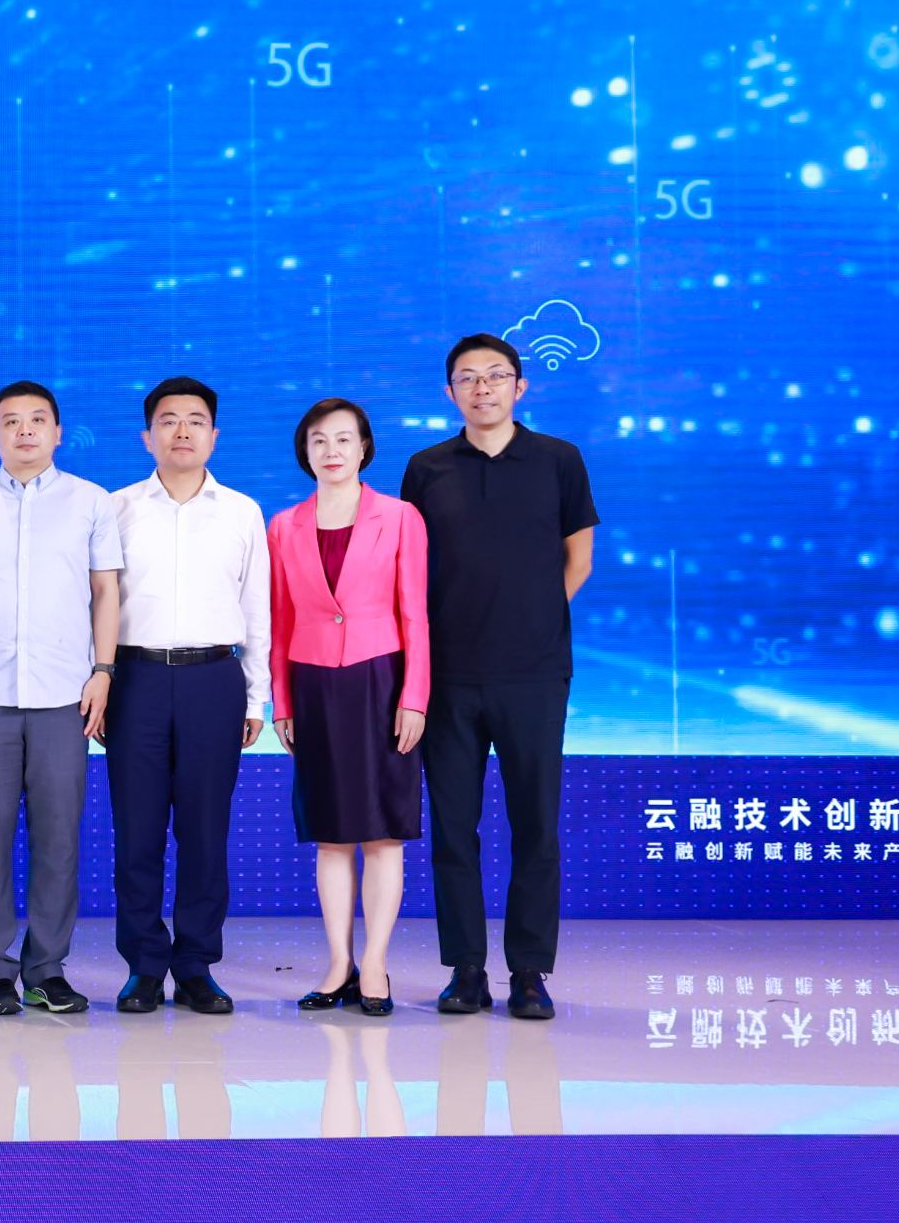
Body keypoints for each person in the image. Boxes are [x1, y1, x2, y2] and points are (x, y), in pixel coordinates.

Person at [400, 333, 598, 1023]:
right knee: (453, 828)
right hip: (449, 675)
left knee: (535, 825)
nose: (481, 388)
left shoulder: (558, 459)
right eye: (467, 377)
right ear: (449, 392)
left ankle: (530, 971)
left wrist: (532, 619)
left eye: (495, 375)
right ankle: (466, 969)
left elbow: (579, 558)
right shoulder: (427, 467)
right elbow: (410, 569)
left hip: (535, 675)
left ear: (520, 387)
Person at [0, 381, 120, 1019]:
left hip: (63, 696)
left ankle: (47, 969)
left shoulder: (91, 502)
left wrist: (102, 670)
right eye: (11, 421)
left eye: (37, 420)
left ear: (57, 432)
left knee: (58, 840)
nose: (25, 431)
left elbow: (105, 593)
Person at [109, 375, 269, 1017]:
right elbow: (97, 604)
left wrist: (255, 698)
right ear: (147, 436)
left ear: (214, 435)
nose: (182, 431)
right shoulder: (115, 508)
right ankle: (144, 965)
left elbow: (257, 609)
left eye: (195, 420)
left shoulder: (242, 511)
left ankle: (197, 964)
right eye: (168, 420)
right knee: (137, 831)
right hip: (135, 679)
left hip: (213, 680)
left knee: (205, 831)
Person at [268, 397, 430, 1021]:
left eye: (343, 438)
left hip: (381, 680)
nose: (331, 450)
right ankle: (339, 964)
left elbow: (415, 614)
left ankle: (377, 963)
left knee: (383, 833)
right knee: (331, 835)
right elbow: (280, 620)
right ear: (304, 452)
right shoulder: (284, 526)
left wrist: (414, 696)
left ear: (364, 447)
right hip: (312, 684)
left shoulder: (400, 517)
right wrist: (282, 700)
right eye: (318, 440)